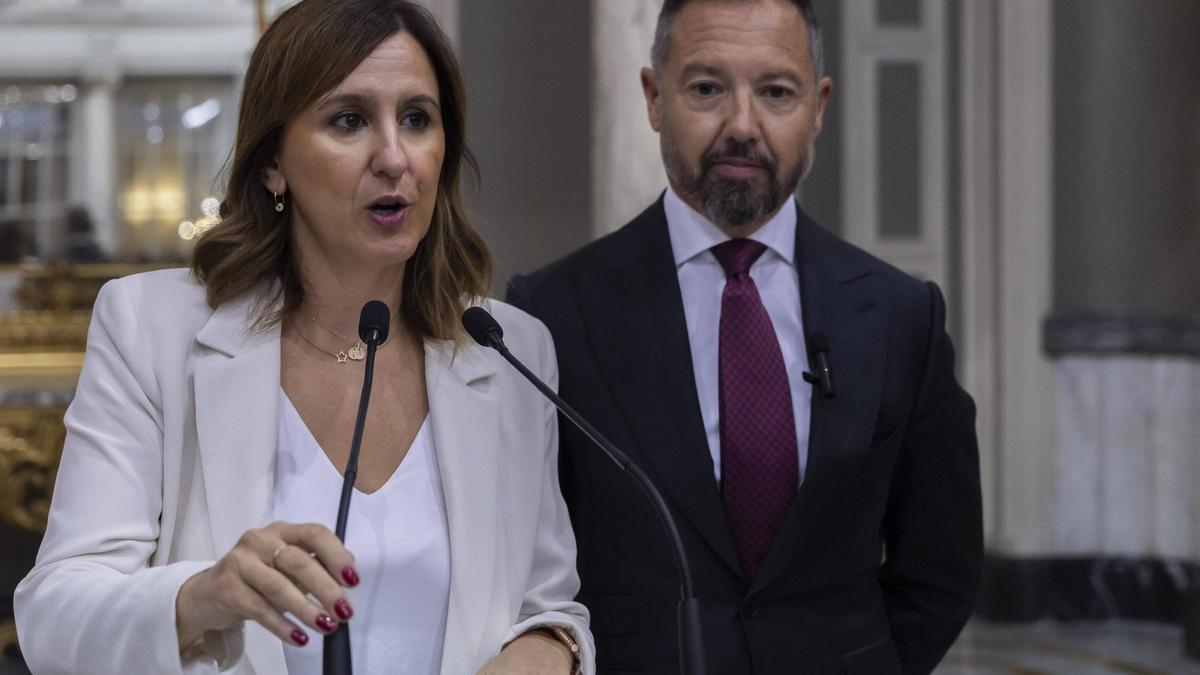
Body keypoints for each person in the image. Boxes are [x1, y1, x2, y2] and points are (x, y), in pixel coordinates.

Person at [15, 1, 593, 673]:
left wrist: (550, 649)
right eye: (349, 120)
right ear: (273, 165)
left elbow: (549, 603)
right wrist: (200, 597)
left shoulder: (508, 347)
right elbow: (53, 616)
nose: (394, 156)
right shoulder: (150, 330)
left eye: (417, 118)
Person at [507, 0, 982, 672]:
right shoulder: (552, 312)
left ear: (818, 107)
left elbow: (942, 562)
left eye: (776, 92)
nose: (741, 124)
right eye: (706, 88)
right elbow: (525, 562)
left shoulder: (902, 316)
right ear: (653, 97)